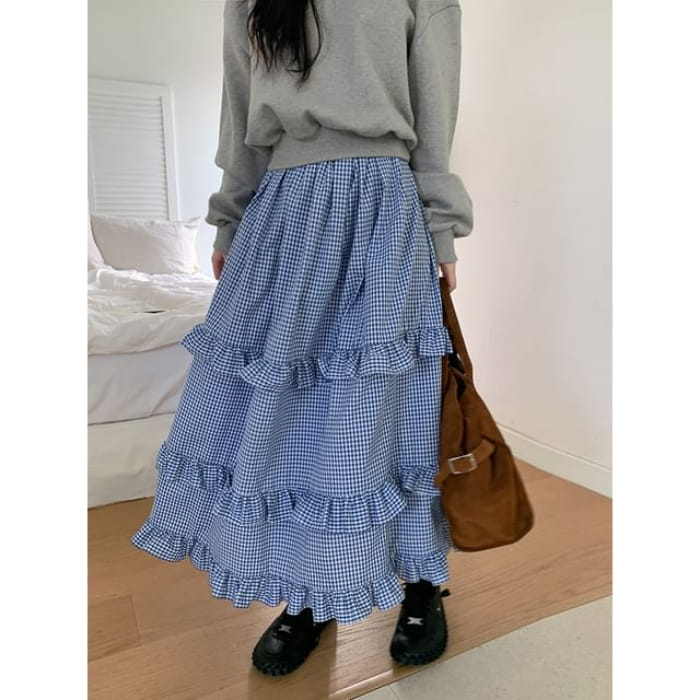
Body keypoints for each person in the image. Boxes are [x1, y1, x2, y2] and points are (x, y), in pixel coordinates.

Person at [131, 0, 474, 677]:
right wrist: (229, 222)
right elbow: (240, 117)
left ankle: (420, 583)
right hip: (281, 216)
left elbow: (435, 117)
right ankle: (310, 587)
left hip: (382, 209)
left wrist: (441, 230)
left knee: (392, 410)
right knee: (288, 416)